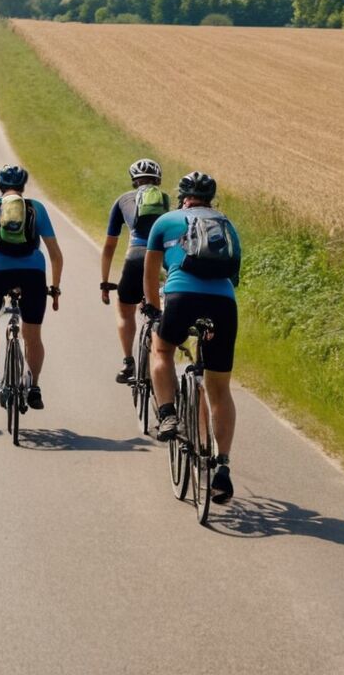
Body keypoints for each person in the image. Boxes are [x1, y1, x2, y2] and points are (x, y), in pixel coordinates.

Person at [143, 170, 241, 504]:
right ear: (211, 200)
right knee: (219, 387)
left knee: (162, 349)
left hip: (182, 296)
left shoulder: (166, 221)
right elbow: (234, 272)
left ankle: (168, 413)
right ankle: (223, 468)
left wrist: (155, 310)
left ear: (182, 197)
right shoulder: (227, 224)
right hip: (224, 304)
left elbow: (150, 271)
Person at [0, 164, 64, 410]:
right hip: (33, 273)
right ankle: (34, 387)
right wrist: (54, 288)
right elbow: (56, 255)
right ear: (23, 187)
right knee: (32, 335)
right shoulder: (36, 208)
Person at [100, 158, 170, 382]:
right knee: (159, 309)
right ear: (157, 180)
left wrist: (105, 281)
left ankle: (128, 361)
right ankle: (162, 355)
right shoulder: (166, 200)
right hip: (162, 260)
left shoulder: (123, 200)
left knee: (124, 309)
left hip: (136, 258)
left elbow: (110, 245)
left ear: (134, 182)